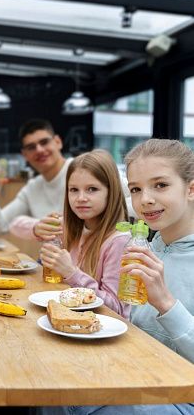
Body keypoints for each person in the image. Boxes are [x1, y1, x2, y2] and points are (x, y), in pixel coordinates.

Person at [36, 139, 194, 415]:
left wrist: (166, 304)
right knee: (46, 376)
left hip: (179, 395)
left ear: (191, 188)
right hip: (134, 373)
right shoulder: (147, 246)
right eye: (136, 189)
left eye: (161, 185)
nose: (145, 199)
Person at [37, 150, 130, 318]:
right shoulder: (70, 228)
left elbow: (117, 310)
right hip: (68, 320)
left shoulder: (119, 241)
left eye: (92, 189)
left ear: (112, 191)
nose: (80, 198)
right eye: (73, 190)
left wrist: (71, 273)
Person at [0, 119, 72, 240]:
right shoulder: (32, 189)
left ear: (58, 142)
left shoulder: (82, 170)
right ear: (24, 155)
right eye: (31, 147)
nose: (39, 150)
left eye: (44, 142)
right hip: (50, 258)